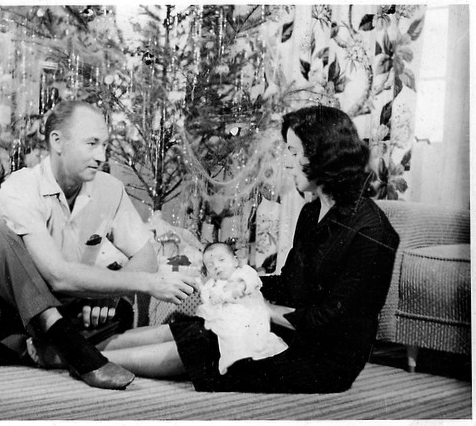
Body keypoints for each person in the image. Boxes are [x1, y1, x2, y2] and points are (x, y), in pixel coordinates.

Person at [45, 105, 399, 393]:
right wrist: (237, 279)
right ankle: (72, 348)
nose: (287, 161)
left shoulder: (372, 232)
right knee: (196, 321)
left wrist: (253, 303)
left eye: (293, 151)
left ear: (323, 155)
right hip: (288, 330)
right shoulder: (313, 211)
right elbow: (290, 283)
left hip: (319, 359)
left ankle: (71, 357)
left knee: (206, 341)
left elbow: (329, 322)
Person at [0, 100, 197, 390]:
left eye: (104, 145)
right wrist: (144, 283)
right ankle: (74, 351)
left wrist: (108, 293)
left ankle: (0, 350)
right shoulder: (20, 187)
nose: (101, 155)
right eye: (91, 143)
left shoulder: (109, 189)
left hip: (61, 307)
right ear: (57, 141)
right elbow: (57, 276)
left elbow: (146, 256)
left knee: (117, 310)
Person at [196, 242, 288, 374]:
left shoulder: (243, 272)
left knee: (257, 340)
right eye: (210, 265)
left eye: (221, 260)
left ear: (234, 261)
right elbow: (207, 298)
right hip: (229, 323)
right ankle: (238, 363)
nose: (216, 266)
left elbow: (252, 280)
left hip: (251, 316)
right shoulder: (213, 285)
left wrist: (241, 286)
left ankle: (256, 360)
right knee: (230, 342)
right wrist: (212, 299)